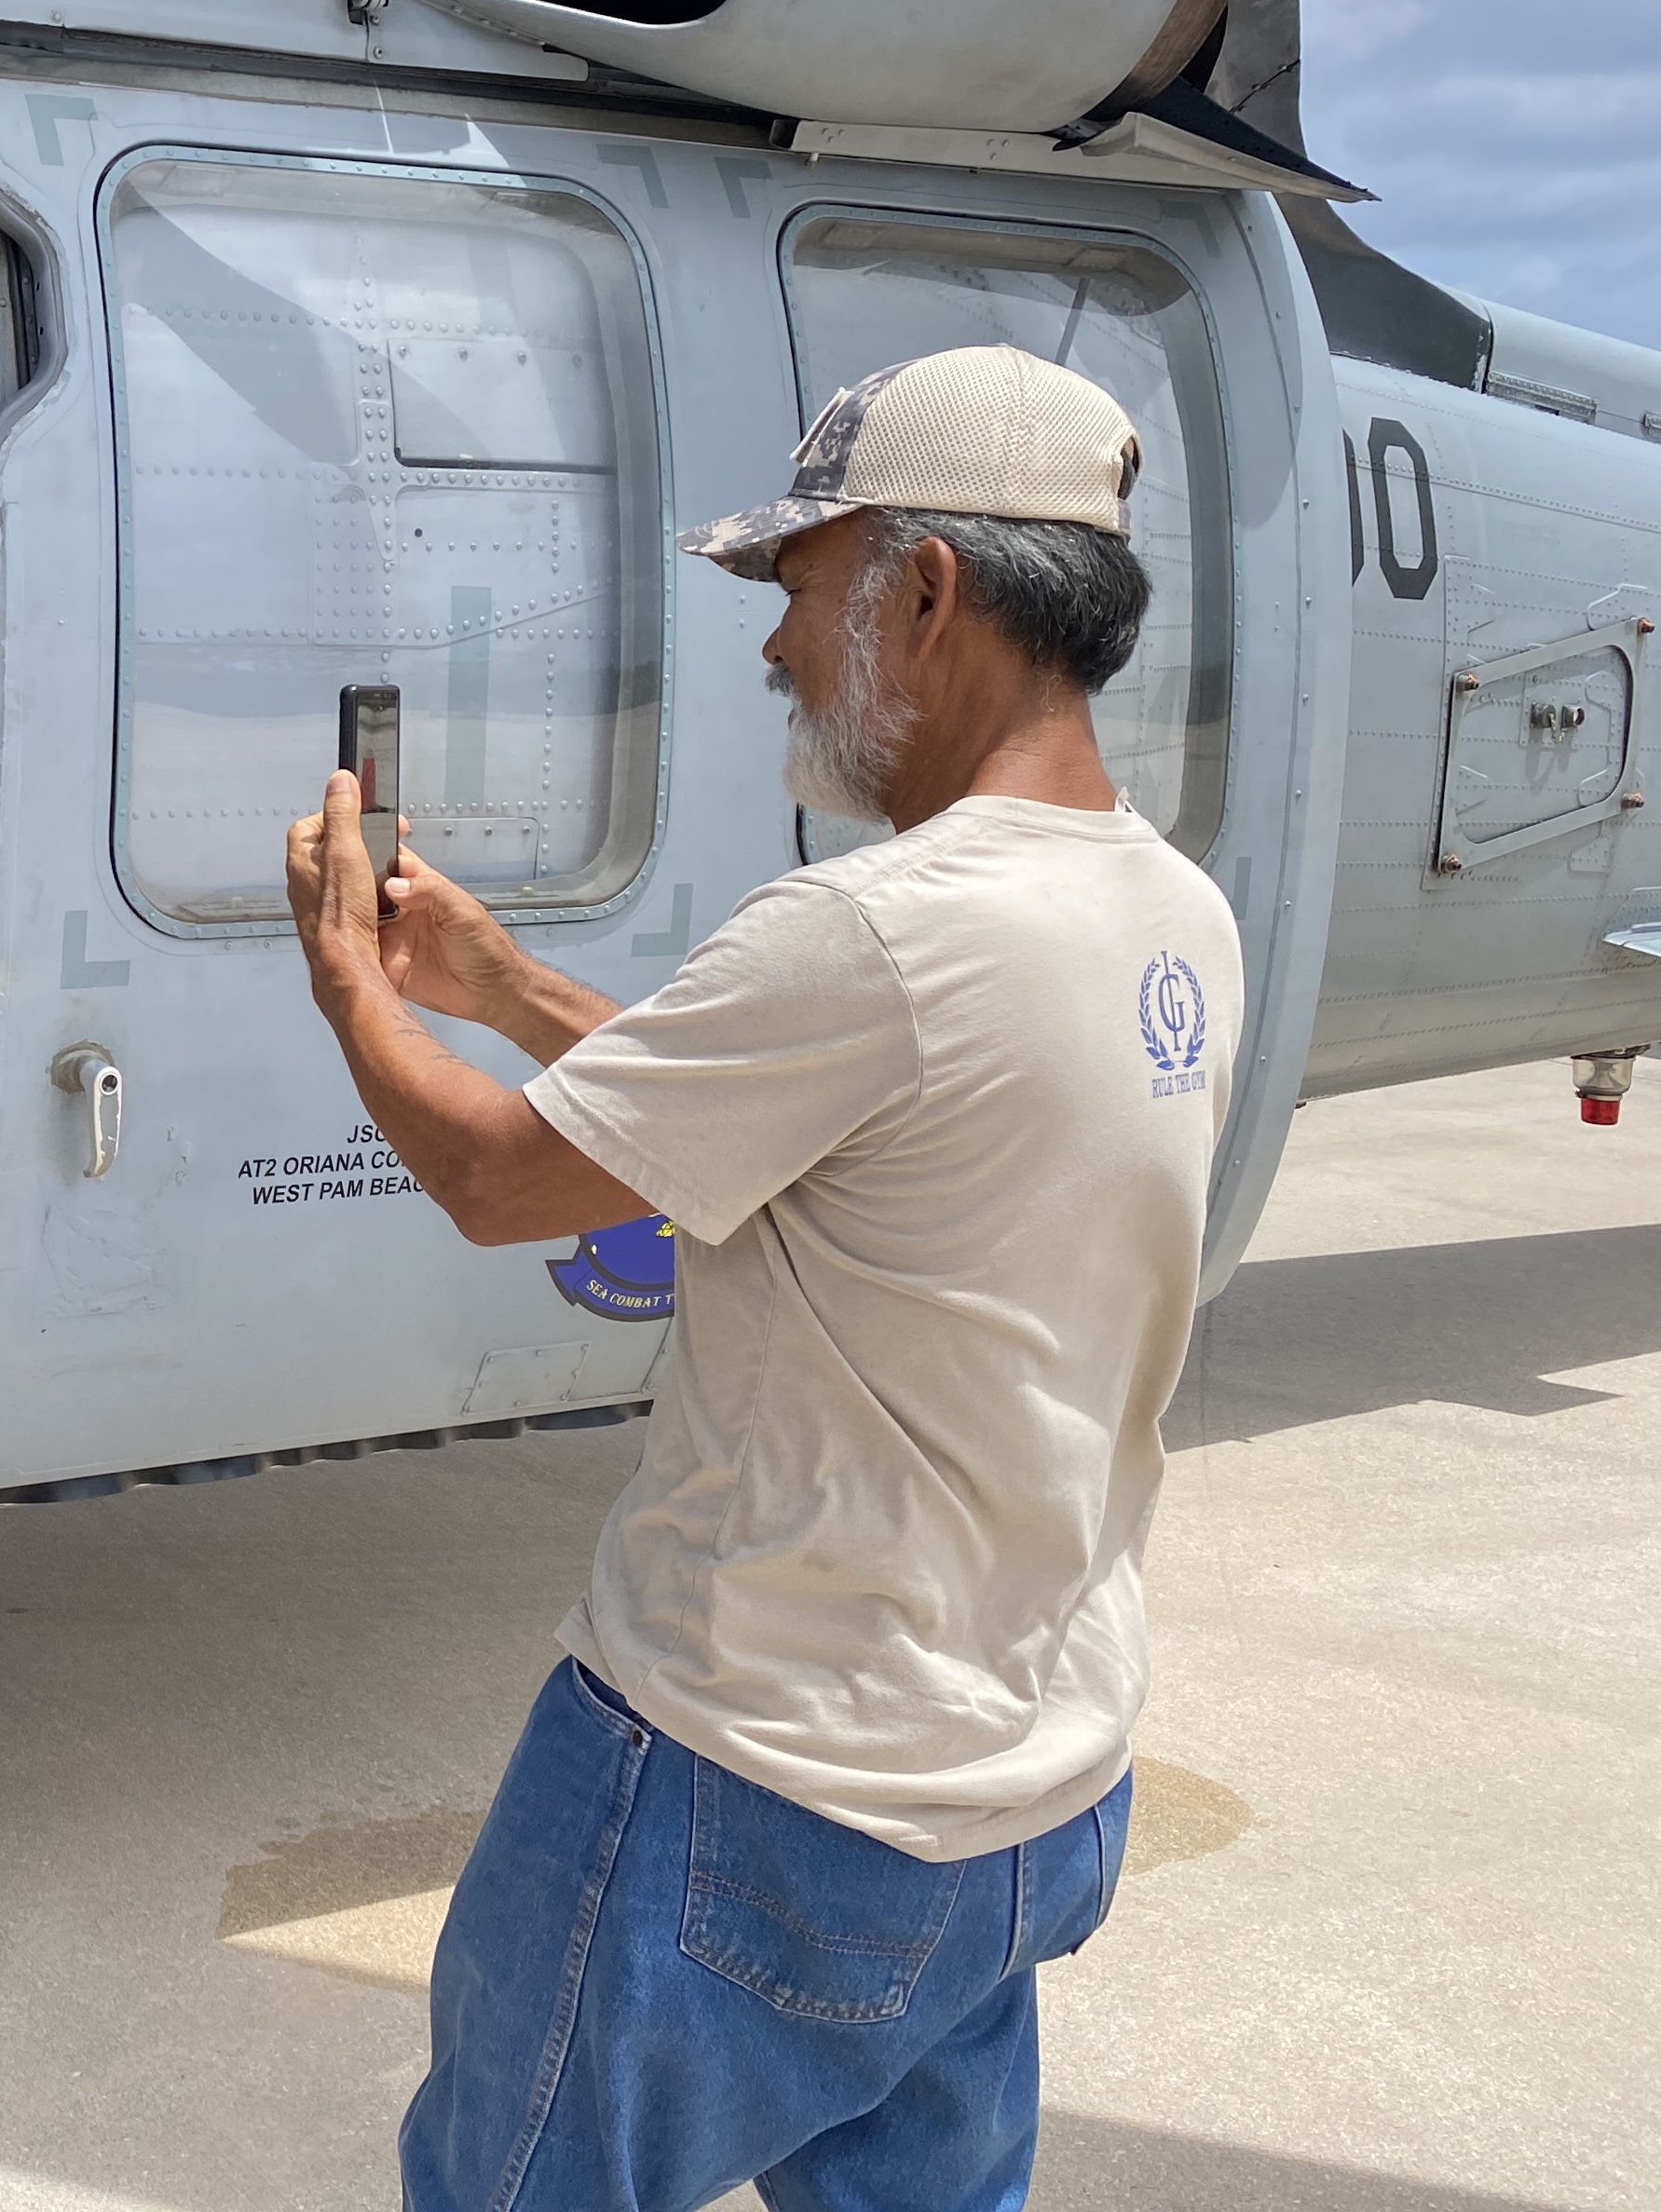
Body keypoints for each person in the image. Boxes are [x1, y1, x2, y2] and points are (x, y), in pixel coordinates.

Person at [284, 346, 1242, 2212]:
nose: (779, 648)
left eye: (803, 589)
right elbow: (828, 1126)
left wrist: (343, 977)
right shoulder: (1160, 911)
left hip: (764, 1790)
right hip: (1021, 1803)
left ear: (932, 592)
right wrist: (494, 985)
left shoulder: (873, 932)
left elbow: (498, 1180)